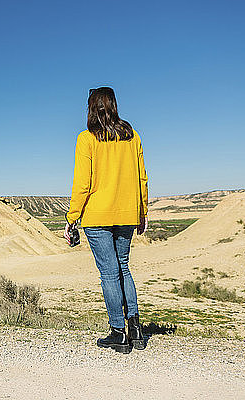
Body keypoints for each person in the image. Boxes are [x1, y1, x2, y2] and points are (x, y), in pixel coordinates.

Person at [64, 87, 149, 353]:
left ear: (91, 108)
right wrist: (142, 212)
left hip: (97, 215)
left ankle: (118, 333)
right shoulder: (131, 136)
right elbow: (142, 177)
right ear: (113, 105)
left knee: (109, 274)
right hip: (126, 213)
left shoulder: (87, 139)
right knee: (124, 267)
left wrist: (72, 217)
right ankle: (135, 328)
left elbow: (82, 183)